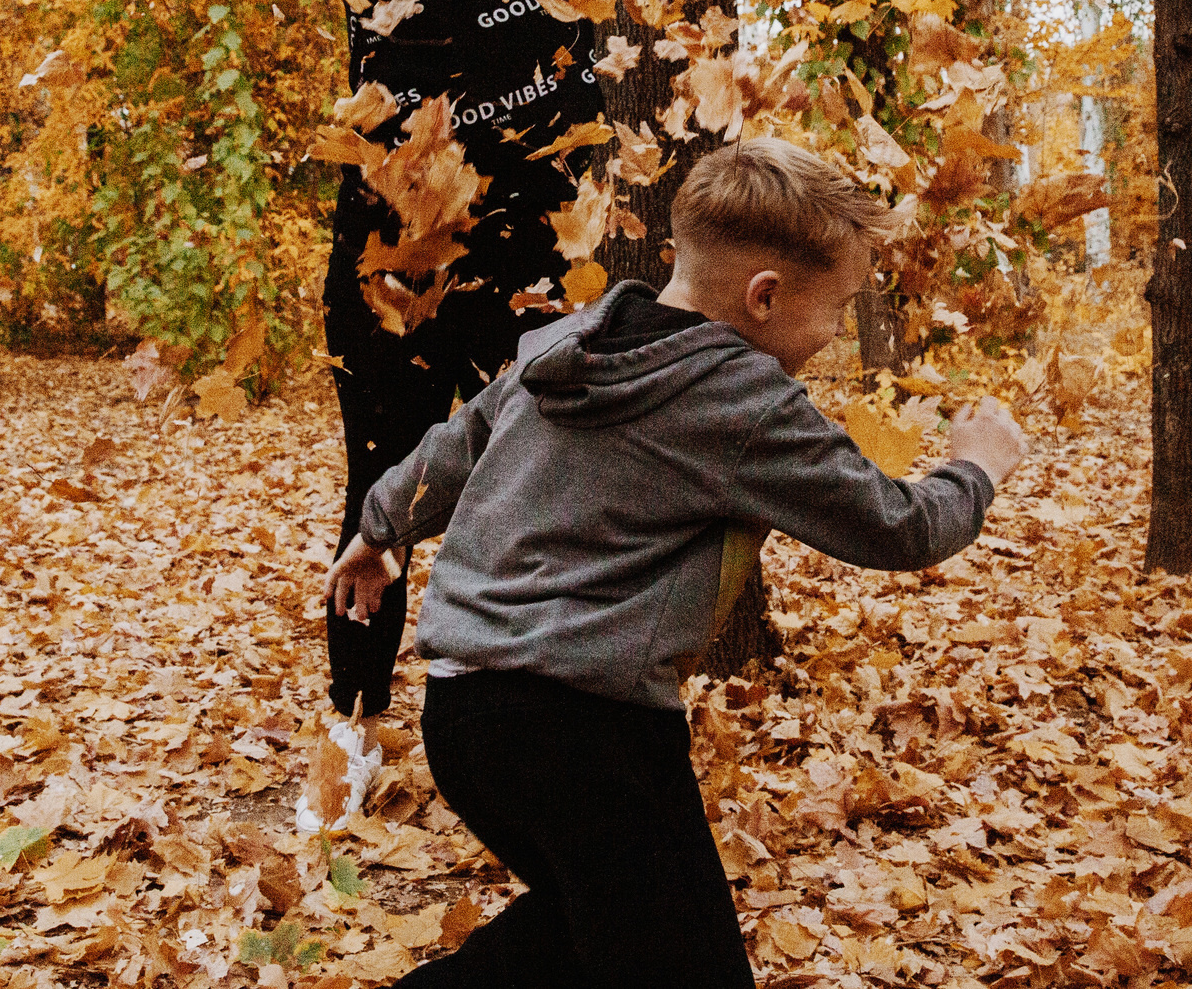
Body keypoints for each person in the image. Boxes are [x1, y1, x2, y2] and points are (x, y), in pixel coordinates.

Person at [222, 0, 916, 720]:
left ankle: (532, 708)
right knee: (382, 492)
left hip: (532, 268)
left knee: (549, 476)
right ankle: (352, 735)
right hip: (397, 264)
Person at [324, 139, 1029, 988]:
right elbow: (898, 525)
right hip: (584, 732)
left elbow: (461, 436)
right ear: (764, 295)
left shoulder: (570, 339)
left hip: (466, 713)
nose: (838, 333)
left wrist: (380, 526)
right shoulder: (739, 397)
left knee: (593, 937)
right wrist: (977, 466)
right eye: (838, 309)